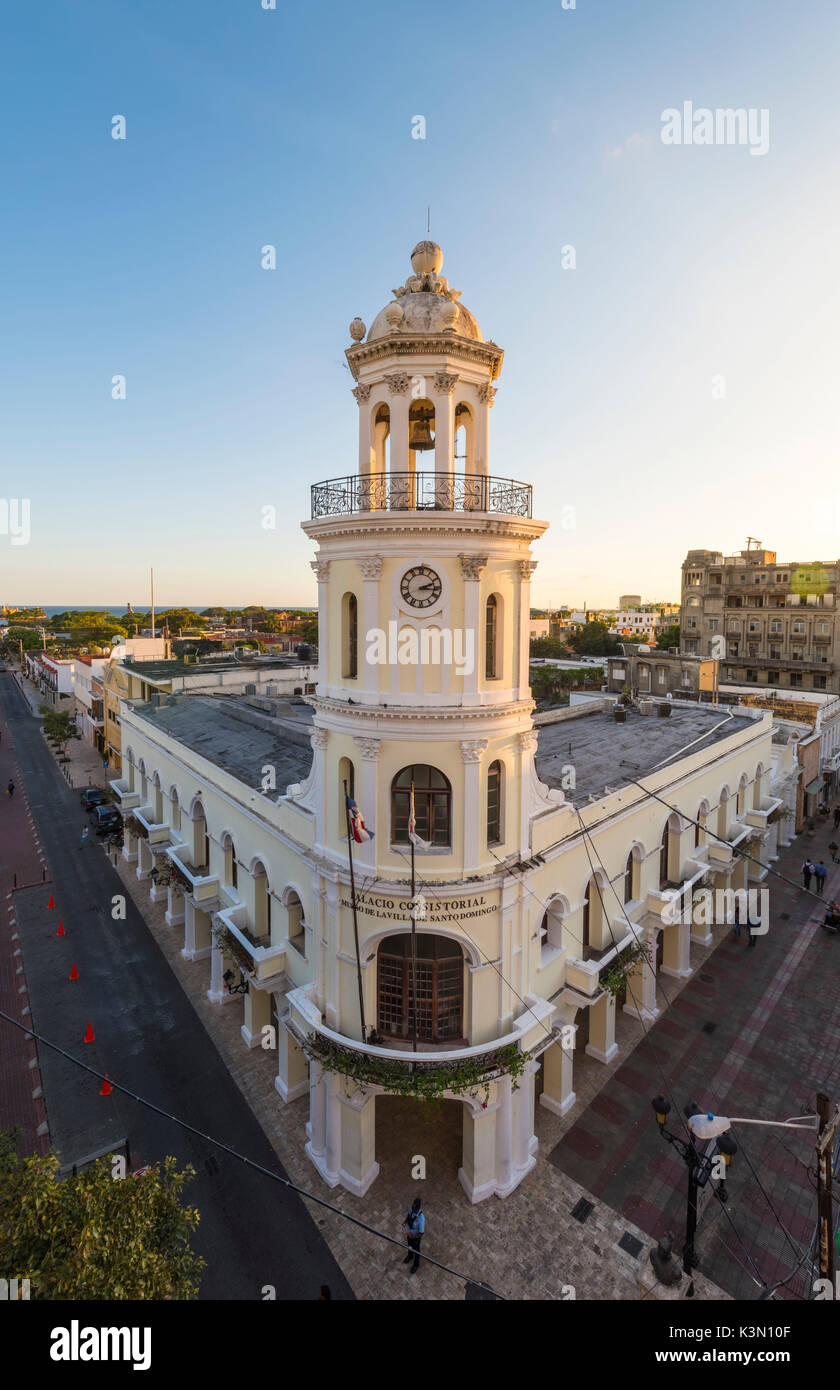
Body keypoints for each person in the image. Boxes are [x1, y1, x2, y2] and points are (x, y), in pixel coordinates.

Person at [403, 1196, 425, 1275]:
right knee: (409, 1246)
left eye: (415, 1208)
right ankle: (410, 1256)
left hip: (415, 1238)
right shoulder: (411, 1209)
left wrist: (413, 1236)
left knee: (417, 1251)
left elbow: (421, 1233)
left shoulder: (421, 1219)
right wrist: (405, 1222)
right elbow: (408, 1215)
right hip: (409, 1234)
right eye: (413, 1207)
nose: (414, 1209)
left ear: (419, 1208)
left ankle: (416, 1264)